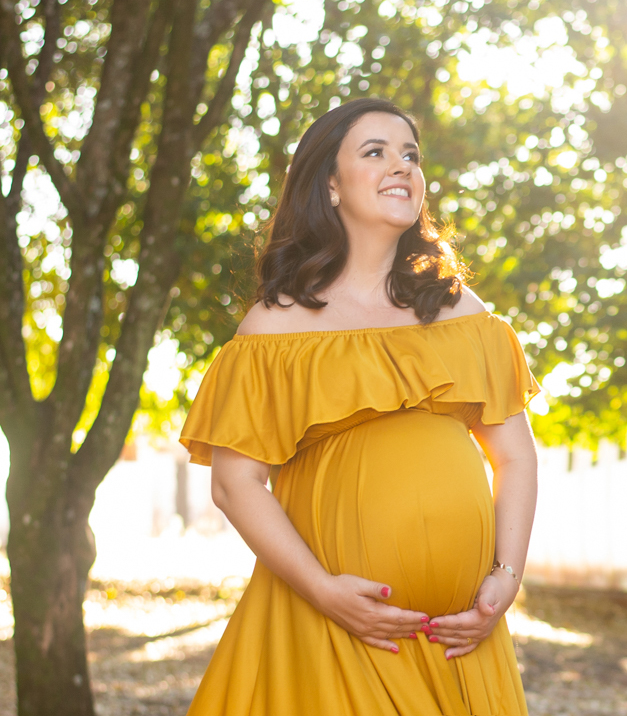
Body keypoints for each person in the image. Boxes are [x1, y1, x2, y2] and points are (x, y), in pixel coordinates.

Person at [178, 98, 540, 715]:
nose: (402, 166)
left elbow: (516, 458)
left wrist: (506, 578)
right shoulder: (275, 327)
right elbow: (236, 484)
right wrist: (324, 591)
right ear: (331, 185)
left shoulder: (462, 314)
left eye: (410, 155)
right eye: (376, 152)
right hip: (332, 627)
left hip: (457, 638)